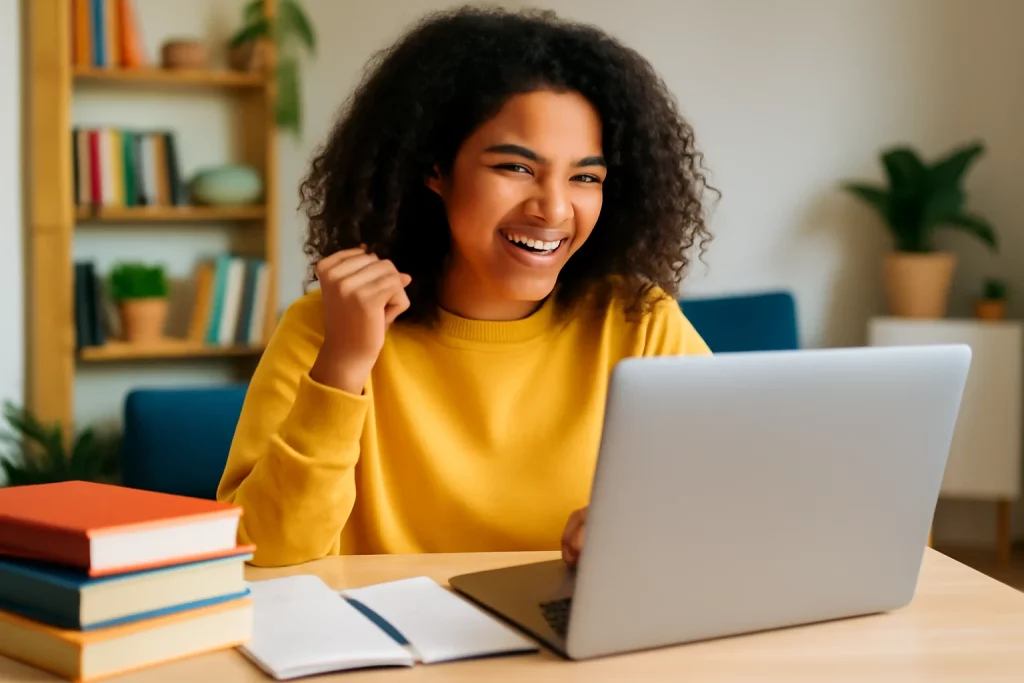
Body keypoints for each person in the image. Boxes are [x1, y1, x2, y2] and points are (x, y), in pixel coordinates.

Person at [216, 5, 715, 568]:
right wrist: (343, 367)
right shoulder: (328, 325)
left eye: (584, 177)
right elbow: (261, 552)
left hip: (566, 646)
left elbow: (731, 500)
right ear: (434, 169)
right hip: (386, 647)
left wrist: (641, 529)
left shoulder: (638, 323)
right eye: (516, 168)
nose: (553, 208)